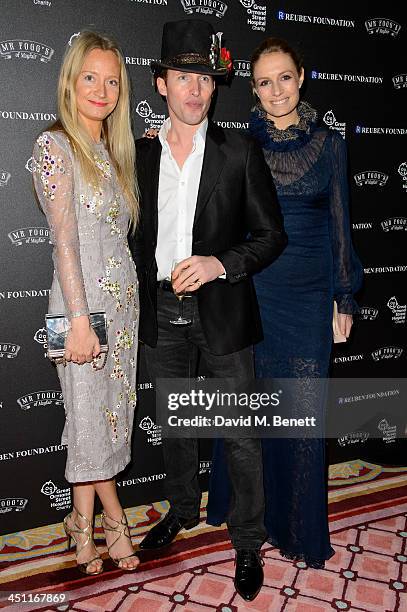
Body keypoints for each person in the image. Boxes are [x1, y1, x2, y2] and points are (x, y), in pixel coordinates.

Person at [129, 20, 286, 601]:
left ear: (214, 86)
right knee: (177, 422)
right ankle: (182, 510)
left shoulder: (240, 150)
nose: (195, 89)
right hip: (161, 307)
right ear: (161, 84)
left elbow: (271, 235)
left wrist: (220, 264)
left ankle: (248, 542)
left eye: (204, 78)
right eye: (182, 77)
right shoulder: (139, 152)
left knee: (239, 433)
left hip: (221, 310)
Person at [207, 37, 363, 568]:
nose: (277, 90)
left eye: (285, 78)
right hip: (254, 290)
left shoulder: (331, 144)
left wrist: (344, 297)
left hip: (308, 293)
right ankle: (250, 517)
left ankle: (296, 528)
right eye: (265, 81)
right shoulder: (238, 142)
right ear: (253, 89)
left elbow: (340, 222)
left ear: (302, 78)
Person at [33, 31, 140, 575]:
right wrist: (78, 321)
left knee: (104, 420)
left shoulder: (112, 151)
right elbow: (65, 241)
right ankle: (114, 522)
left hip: (121, 312)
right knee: (89, 420)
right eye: (90, 77)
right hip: (76, 310)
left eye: (112, 81)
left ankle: (80, 523)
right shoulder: (53, 147)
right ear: (70, 82)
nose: (101, 89)